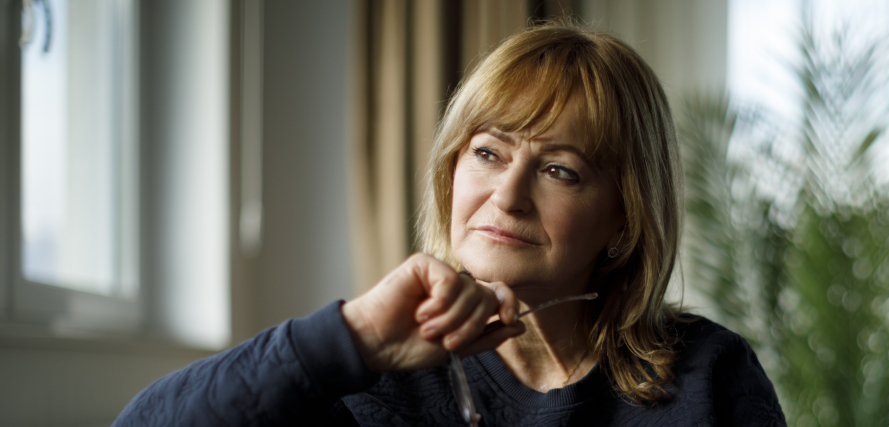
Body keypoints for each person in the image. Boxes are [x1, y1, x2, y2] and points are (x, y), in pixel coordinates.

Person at [114, 22, 784, 426]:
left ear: (623, 220)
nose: (508, 194)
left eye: (560, 170)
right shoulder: (375, 375)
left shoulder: (708, 376)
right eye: (488, 152)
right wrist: (351, 337)